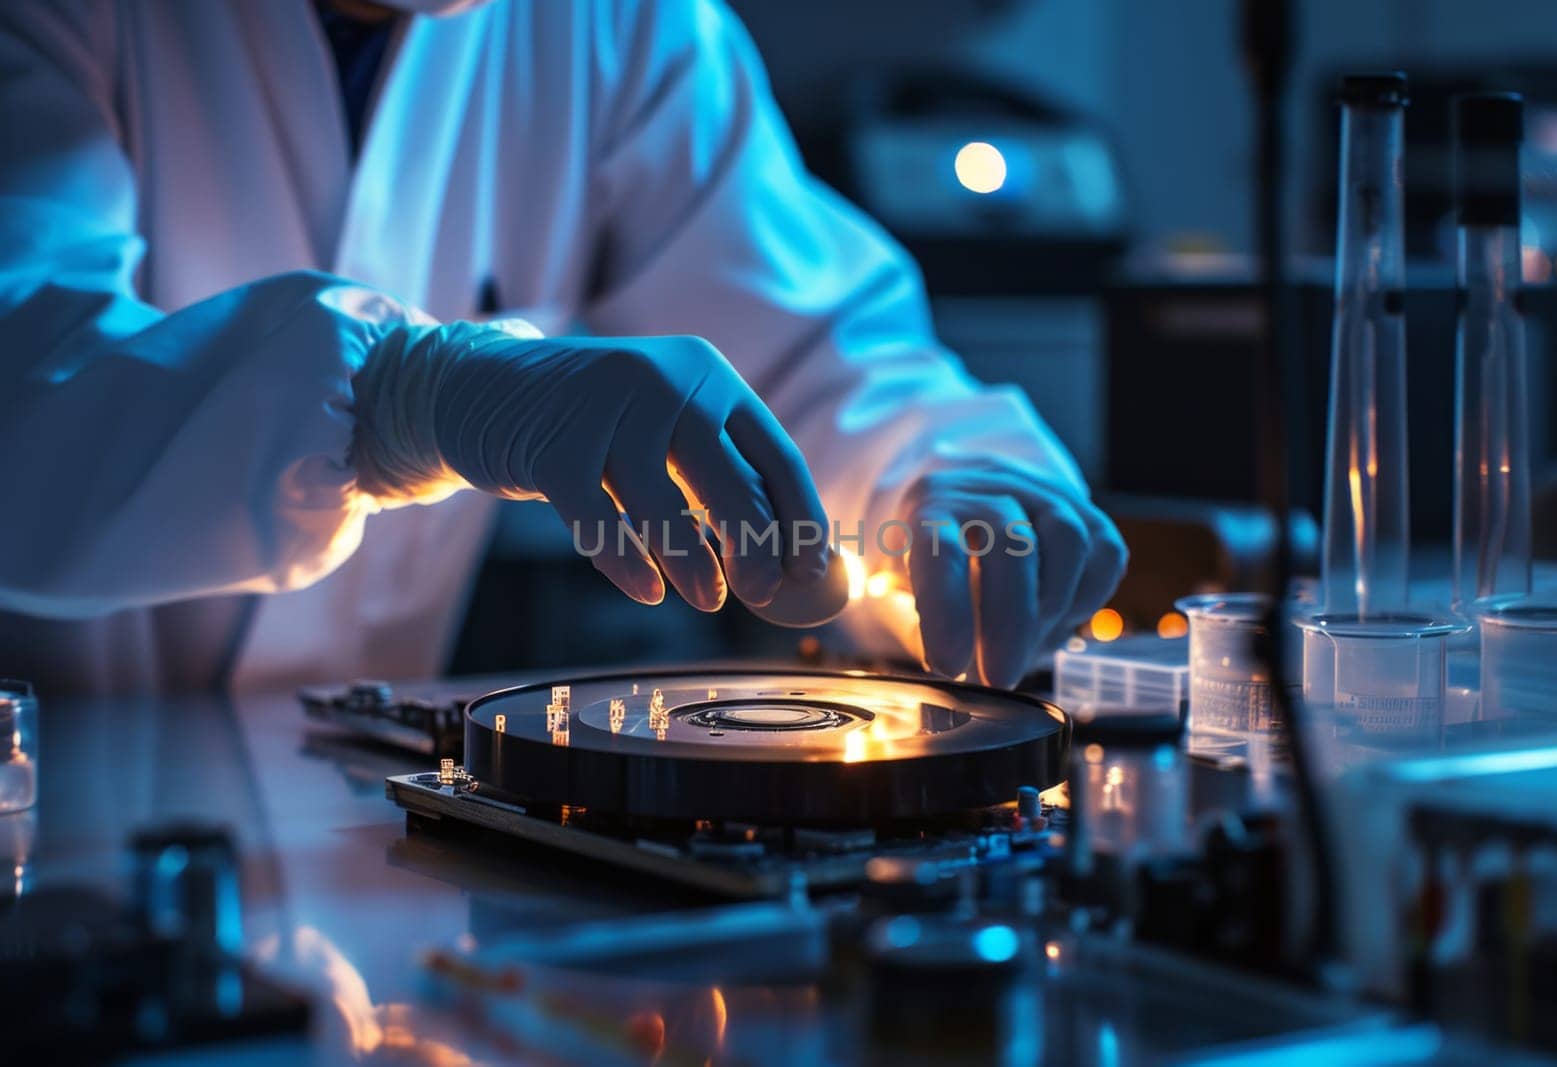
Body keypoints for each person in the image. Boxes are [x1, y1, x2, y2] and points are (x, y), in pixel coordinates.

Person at [0, 0, 1126, 697]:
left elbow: (804, 363)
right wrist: (402, 401)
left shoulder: (619, 23)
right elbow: (23, 390)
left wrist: (942, 476)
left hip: (341, 818)